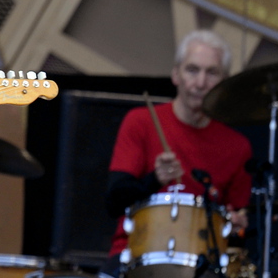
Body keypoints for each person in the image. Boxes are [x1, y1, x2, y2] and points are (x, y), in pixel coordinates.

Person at [100, 30, 253, 278]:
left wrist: (238, 225)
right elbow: (114, 202)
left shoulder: (237, 146)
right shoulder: (141, 122)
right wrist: (155, 179)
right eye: (192, 70)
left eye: (211, 73)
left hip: (204, 265)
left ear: (224, 82)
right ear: (175, 74)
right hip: (134, 255)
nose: (201, 82)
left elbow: (238, 226)